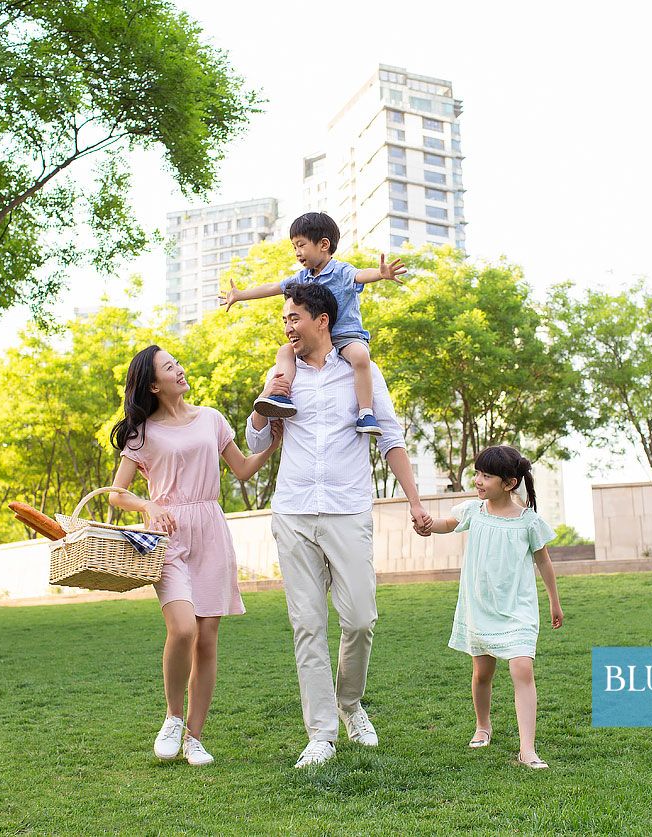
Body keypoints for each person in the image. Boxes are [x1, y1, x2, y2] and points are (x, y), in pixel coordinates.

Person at [246, 282, 433, 768]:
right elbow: (255, 434)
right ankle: (321, 734)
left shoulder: (361, 372)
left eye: (294, 318)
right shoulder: (282, 374)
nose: (287, 326)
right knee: (307, 625)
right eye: (284, 319)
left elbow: (390, 438)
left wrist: (414, 502)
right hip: (294, 510)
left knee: (359, 620)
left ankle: (350, 705)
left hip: (348, 509)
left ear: (322, 320)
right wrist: (268, 394)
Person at [109, 346, 281, 767]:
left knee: (207, 638)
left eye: (178, 363)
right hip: (167, 538)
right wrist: (148, 506)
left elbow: (240, 469)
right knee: (182, 629)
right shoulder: (141, 433)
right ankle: (171, 716)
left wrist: (274, 443)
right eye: (170, 367)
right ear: (153, 383)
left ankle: (194, 736)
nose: (180, 369)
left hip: (211, 531)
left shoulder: (211, 419)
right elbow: (116, 494)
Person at [419, 445, 564, 769]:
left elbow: (544, 562)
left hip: (518, 608)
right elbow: (446, 523)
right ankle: (482, 726)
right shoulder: (474, 510)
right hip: (481, 606)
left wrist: (554, 602)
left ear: (509, 483)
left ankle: (527, 749)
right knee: (482, 672)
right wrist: (428, 524)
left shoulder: (529, 522)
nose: (478, 480)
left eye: (486, 475)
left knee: (522, 669)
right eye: (477, 473)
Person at [221, 211, 406, 437]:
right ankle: (282, 395)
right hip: (313, 340)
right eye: (294, 247)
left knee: (359, 356)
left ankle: (366, 412)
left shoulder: (341, 271)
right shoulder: (302, 278)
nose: (297, 252)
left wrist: (379, 273)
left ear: (323, 244)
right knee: (284, 352)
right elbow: (272, 288)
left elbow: (360, 275)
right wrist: (241, 295)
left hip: (344, 335)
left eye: (301, 245)